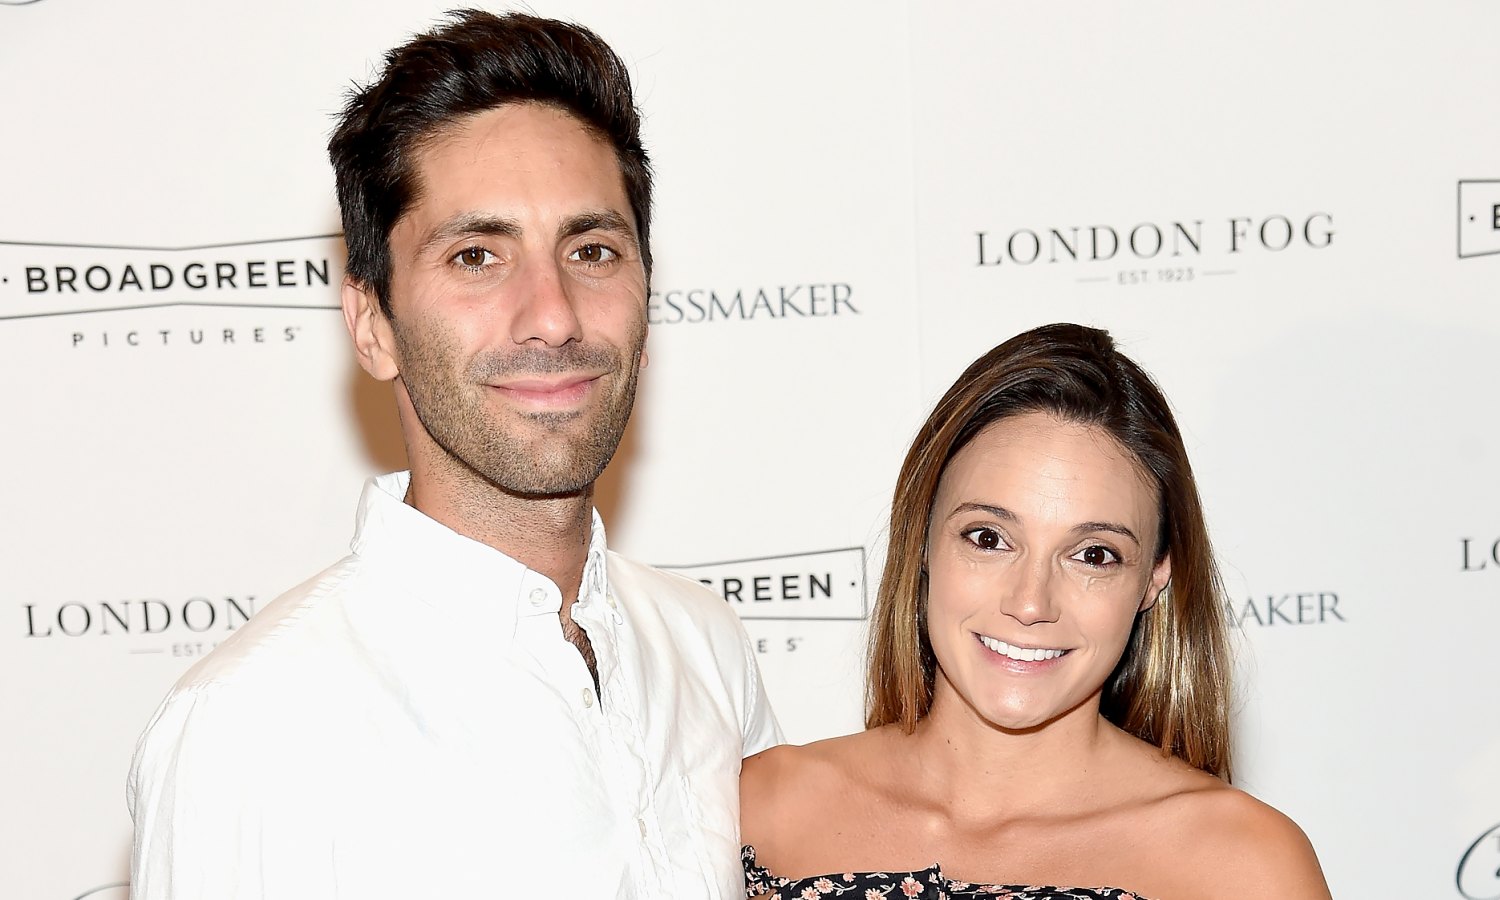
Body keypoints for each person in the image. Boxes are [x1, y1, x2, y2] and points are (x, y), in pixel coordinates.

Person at [126, 12, 780, 899]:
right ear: (372, 325)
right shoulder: (254, 725)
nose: (552, 314)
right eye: (477, 256)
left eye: (592, 250)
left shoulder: (706, 647)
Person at [740, 324, 1330, 899]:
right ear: (921, 541)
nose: (1030, 603)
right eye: (989, 538)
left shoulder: (1244, 864)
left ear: (1155, 577)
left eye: (1094, 555)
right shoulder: (763, 810)